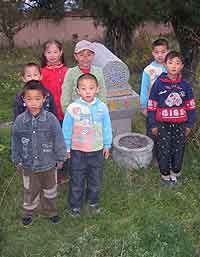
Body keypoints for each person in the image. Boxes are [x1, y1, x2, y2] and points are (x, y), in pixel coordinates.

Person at [12, 80, 67, 226]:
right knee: (30, 190)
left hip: (48, 164)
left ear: (44, 99)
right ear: (23, 100)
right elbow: (16, 140)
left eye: (37, 99)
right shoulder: (19, 121)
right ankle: (28, 212)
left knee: (50, 190)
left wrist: (61, 157)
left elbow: (58, 139)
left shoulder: (51, 120)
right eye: (29, 99)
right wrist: (16, 159)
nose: (33, 103)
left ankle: (51, 211)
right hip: (28, 165)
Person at [62, 73, 112, 217]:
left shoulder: (102, 107)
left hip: (96, 151)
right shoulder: (73, 108)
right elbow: (66, 129)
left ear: (97, 89)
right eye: (83, 88)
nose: (87, 91)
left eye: (91, 88)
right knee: (77, 179)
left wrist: (107, 145)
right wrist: (67, 147)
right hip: (78, 151)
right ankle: (75, 206)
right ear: (78, 91)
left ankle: (93, 203)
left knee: (95, 179)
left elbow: (107, 127)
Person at [147, 51, 196, 184]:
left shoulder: (185, 85)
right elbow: (152, 106)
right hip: (162, 124)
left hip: (180, 124)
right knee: (163, 149)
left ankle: (175, 172)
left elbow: (191, 106)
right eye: (170, 63)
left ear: (182, 66)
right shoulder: (159, 84)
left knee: (178, 148)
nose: (174, 66)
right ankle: (165, 174)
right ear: (165, 65)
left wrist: (189, 124)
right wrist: (153, 124)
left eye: (177, 63)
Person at [41, 40, 68, 184]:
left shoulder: (67, 72)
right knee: (49, 143)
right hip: (48, 116)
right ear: (44, 54)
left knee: (63, 142)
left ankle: (64, 171)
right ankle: (50, 170)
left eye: (55, 52)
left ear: (61, 52)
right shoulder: (41, 73)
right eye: (48, 52)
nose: (52, 55)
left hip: (64, 115)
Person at [61, 40, 107, 113]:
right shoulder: (71, 73)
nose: (85, 58)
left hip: (95, 112)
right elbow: (65, 96)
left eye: (89, 55)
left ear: (93, 56)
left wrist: (101, 111)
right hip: (77, 113)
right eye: (81, 55)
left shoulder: (99, 72)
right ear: (76, 56)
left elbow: (102, 94)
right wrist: (69, 113)